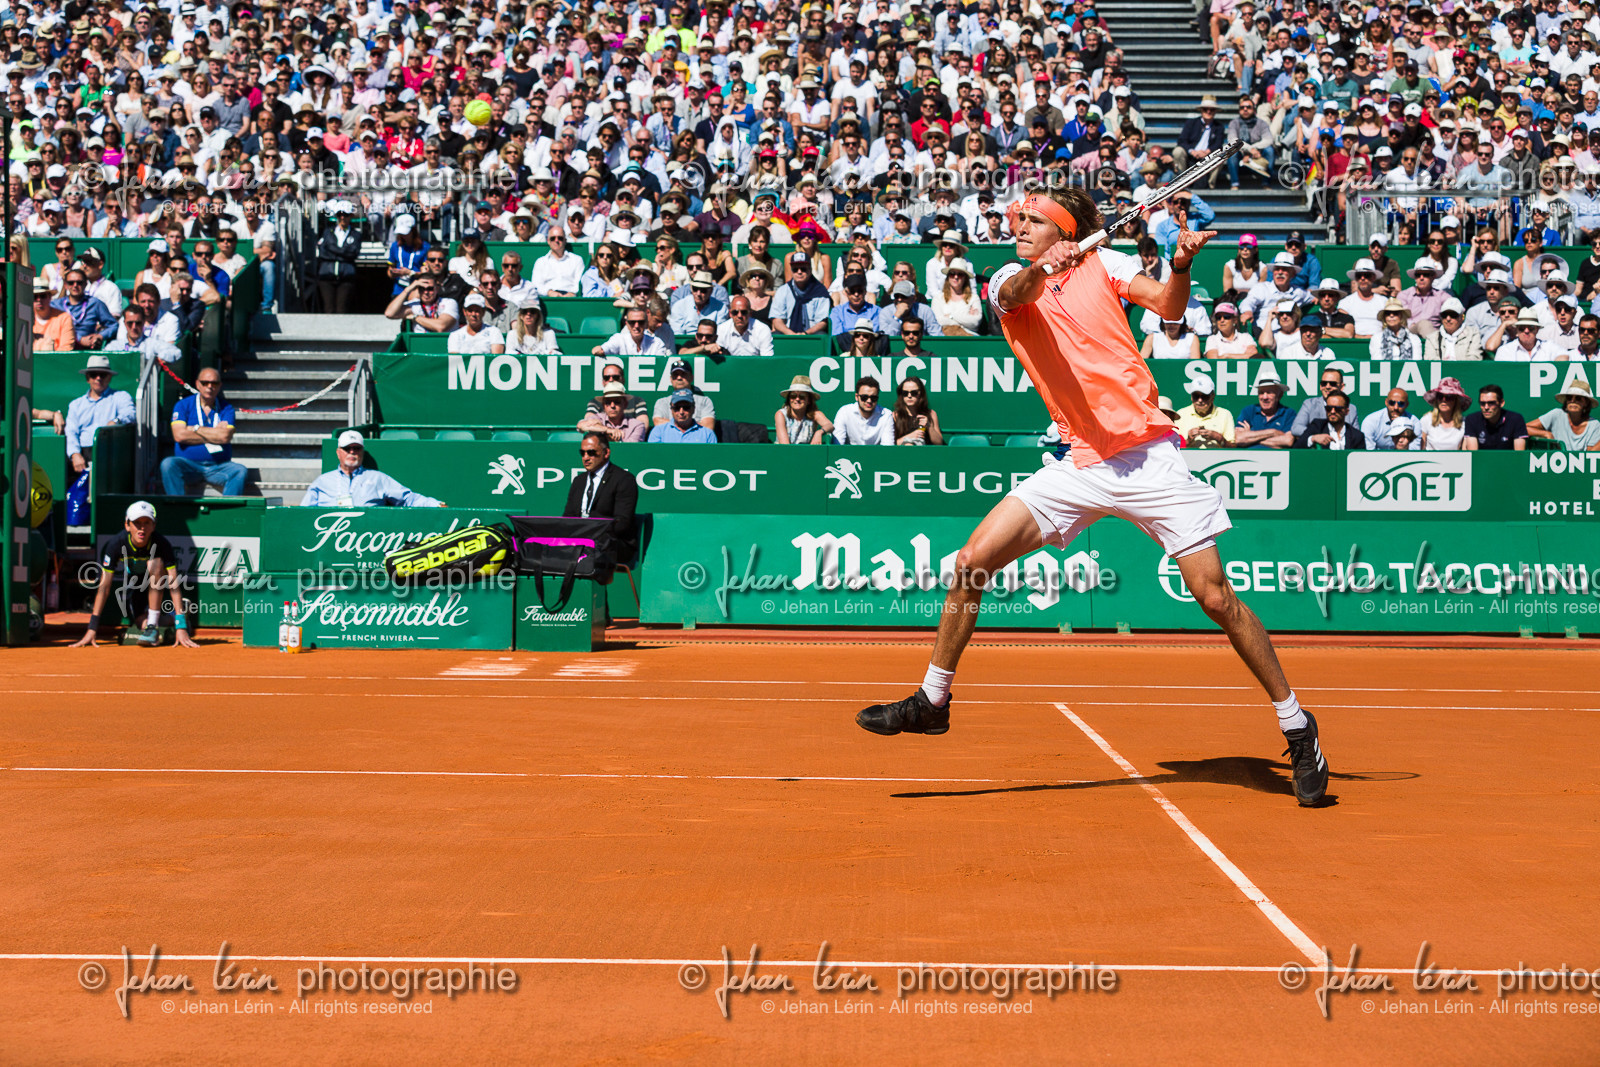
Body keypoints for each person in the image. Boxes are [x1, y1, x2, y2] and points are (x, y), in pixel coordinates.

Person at [854, 189, 1330, 809]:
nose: (1019, 226)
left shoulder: (1104, 265)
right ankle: (933, 700)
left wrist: (1180, 264)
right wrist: (1045, 266)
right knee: (971, 563)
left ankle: (1297, 727)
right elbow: (1017, 293)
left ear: (1062, 229)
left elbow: (1166, 306)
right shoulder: (1009, 274)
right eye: (1019, 219)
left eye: (1033, 221)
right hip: (1079, 461)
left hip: (1150, 457)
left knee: (1216, 599)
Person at [71, 500, 199, 649]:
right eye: (137, 523)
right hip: (136, 590)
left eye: (147, 523)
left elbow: (173, 583)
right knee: (141, 624)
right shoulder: (116, 544)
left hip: (158, 588)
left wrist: (181, 627)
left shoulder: (162, 544)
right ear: (127, 525)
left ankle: (154, 625)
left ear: (153, 526)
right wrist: (91, 629)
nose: (142, 528)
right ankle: (168, 618)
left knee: (155, 564)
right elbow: (104, 588)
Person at [160, 367, 246, 496]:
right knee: (168, 464)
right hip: (189, 466)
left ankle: (227, 512)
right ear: (197, 384)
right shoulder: (183, 405)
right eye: (205, 383)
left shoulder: (227, 408)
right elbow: (179, 436)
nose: (210, 386)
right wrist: (215, 433)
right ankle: (178, 507)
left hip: (218, 466)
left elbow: (225, 437)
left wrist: (195, 429)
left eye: (214, 383)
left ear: (220, 385)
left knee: (240, 470)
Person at [302, 430, 444, 506]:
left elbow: (407, 498)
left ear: (362, 451)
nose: (352, 452)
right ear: (338, 452)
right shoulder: (322, 481)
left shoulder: (377, 478)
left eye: (356, 448)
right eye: (347, 448)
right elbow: (302, 513)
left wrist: (435, 504)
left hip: (366, 538)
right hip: (328, 536)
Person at [564, 433, 640, 561]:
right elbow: (567, 517)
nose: (585, 457)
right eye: (582, 453)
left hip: (613, 544)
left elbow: (622, 524)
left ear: (606, 453)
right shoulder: (579, 481)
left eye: (591, 452)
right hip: (580, 542)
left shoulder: (624, 480)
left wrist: (589, 532)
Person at [65, 354, 135, 477]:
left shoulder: (121, 397)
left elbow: (130, 414)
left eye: (102, 375)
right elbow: (71, 431)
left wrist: (116, 420)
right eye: (93, 375)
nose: (98, 378)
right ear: (88, 378)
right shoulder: (76, 405)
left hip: (111, 451)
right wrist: (75, 454)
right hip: (84, 452)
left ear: (109, 378)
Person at [53, 266, 118, 349]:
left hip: (88, 349)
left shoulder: (95, 303)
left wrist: (100, 336)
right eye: (71, 283)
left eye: (79, 282)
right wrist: (79, 339)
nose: (75, 285)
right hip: (62, 349)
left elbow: (113, 325)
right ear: (65, 285)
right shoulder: (56, 305)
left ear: (86, 284)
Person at [770, 252, 832, 335]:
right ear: (791, 271)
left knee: (822, 335)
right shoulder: (783, 290)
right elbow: (777, 320)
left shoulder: (820, 291)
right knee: (775, 335)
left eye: (803, 269)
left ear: (810, 270)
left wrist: (806, 333)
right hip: (788, 334)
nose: (799, 272)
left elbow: (822, 322)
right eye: (795, 269)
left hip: (812, 334)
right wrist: (791, 334)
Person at [315, 201, 361, 313]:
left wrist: (332, 250)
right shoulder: (328, 232)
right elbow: (322, 253)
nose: (342, 217)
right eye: (339, 214)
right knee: (328, 308)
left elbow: (353, 253)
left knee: (342, 308)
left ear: (350, 216)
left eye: (345, 214)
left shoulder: (356, 234)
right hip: (327, 275)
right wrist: (344, 253)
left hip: (346, 276)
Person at [1529, 381, 1600, 450]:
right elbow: (1523, 428)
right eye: (1569, 397)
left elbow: (1590, 456)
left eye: (1578, 398)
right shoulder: (1556, 414)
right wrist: (1546, 434)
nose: (1573, 400)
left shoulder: (1594, 425)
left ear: (1586, 403)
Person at [1290, 367, 1360, 437]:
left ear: (1342, 387)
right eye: (1324, 383)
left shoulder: (1351, 409)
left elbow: (1356, 436)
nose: (1327, 387)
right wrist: (1319, 436)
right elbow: (1296, 428)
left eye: (1332, 384)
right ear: (1320, 386)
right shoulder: (1310, 404)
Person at [831, 375, 896, 446]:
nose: (869, 401)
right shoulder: (844, 412)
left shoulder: (886, 415)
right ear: (856, 397)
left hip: (877, 456)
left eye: (873, 398)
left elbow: (888, 446)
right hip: (849, 456)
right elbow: (837, 445)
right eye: (864, 397)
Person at [650, 359, 716, 429]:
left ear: (691, 377)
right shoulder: (662, 402)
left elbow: (708, 427)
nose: (679, 378)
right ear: (671, 379)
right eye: (675, 375)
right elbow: (658, 423)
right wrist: (691, 425)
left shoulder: (705, 401)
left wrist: (675, 425)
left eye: (683, 374)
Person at [1463, 385, 1529, 451]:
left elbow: (1519, 455)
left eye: (1491, 403)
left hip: (1509, 461)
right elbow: (1474, 454)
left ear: (1501, 403)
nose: (1486, 407)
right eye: (1482, 403)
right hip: (1481, 461)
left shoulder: (1516, 419)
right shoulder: (1472, 419)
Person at [1234, 379, 1295, 449]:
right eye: (1261, 393)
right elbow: (1238, 439)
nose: (1265, 397)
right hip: (1248, 458)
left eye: (1269, 392)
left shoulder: (1288, 413)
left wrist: (1251, 436)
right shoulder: (1248, 411)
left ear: (1280, 395)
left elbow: (1288, 441)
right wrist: (1273, 432)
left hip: (1278, 458)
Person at [384, 275, 458, 333]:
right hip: (420, 345)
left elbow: (440, 327)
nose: (426, 292)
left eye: (430, 289)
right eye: (422, 288)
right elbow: (389, 313)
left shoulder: (448, 302)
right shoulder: (413, 305)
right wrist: (407, 290)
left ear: (437, 289)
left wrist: (415, 317)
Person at [774, 375, 834, 445]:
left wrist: (819, 432)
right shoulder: (781, 414)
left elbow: (830, 425)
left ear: (809, 400)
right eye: (793, 396)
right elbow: (785, 445)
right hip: (783, 454)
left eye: (802, 396)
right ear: (789, 399)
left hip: (806, 453)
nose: (797, 399)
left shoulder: (814, 414)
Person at [1295, 391, 1365, 449]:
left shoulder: (1357, 436)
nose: (1332, 411)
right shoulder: (1318, 426)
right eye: (1329, 408)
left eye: (1337, 408)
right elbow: (1296, 447)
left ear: (1346, 411)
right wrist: (1313, 438)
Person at [1174, 382, 1234, 448]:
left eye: (1204, 396)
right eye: (1196, 396)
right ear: (1191, 397)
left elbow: (1233, 448)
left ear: (1212, 396)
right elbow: (1173, 446)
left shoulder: (1225, 414)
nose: (1200, 400)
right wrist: (1188, 440)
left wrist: (1219, 438)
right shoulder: (1181, 414)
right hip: (1188, 457)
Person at [648, 389, 719, 443]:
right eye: (677, 408)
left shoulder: (707, 434)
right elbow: (653, 458)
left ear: (694, 408)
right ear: (671, 409)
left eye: (686, 407)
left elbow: (712, 460)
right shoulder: (658, 432)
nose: (681, 412)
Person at [1418, 377, 1468, 451]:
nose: (1443, 400)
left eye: (1448, 397)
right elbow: (1420, 450)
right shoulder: (1427, 420)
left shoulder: (1464, 423)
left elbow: (1465, 453)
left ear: (1456, 401)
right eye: (1440, 396)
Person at [892, 376, 943, 445]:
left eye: (914, 393)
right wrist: (909, 437)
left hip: (926, 453)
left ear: (921, 393)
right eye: (905, 393)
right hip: (902, 454)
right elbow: (890, 444)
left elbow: (939, 442)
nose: (909, 396)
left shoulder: (931, 414)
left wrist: (929, 426)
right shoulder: (895, 416)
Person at [32, 277, 75, 350]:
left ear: (50, 297)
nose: (39, 300)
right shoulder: (25, 318)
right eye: (35, 297)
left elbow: (66, 349)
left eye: (43, 296)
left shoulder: (64, 318)